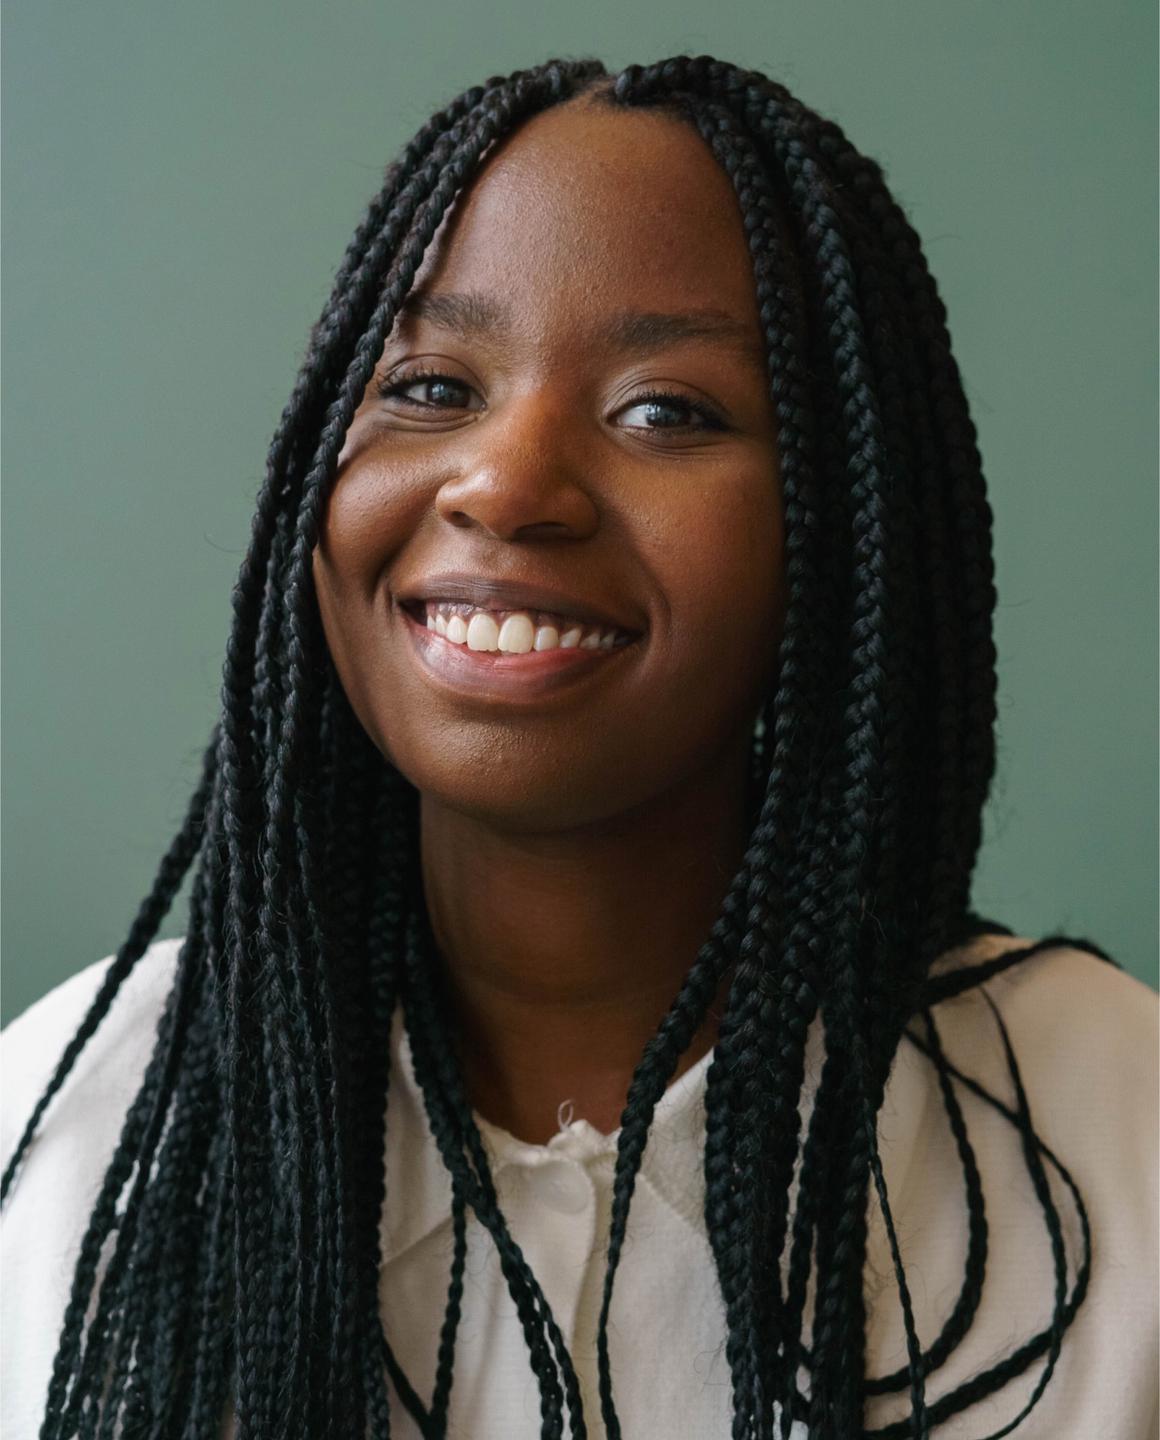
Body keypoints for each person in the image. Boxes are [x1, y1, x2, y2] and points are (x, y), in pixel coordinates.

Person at [1, 54, 1156, 1440]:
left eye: (666, 410)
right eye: (433, 386)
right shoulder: (69, 1130)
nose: (505, 483)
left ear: (843, 528)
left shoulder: (1117, 1134)